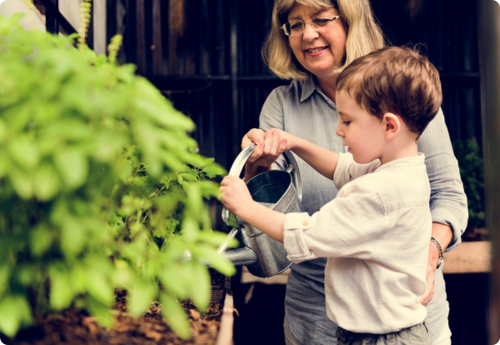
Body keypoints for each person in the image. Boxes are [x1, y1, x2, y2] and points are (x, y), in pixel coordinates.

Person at [238, 1, 468, 344]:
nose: (308, 34)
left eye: (320, 20)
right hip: (317, 317)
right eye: (295, 25)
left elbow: (448, 194)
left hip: (400, 317)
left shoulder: (403, 94)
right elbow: (336, 171)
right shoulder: (281, 104)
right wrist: (258, 163)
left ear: (351, 21)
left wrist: (429, 253)